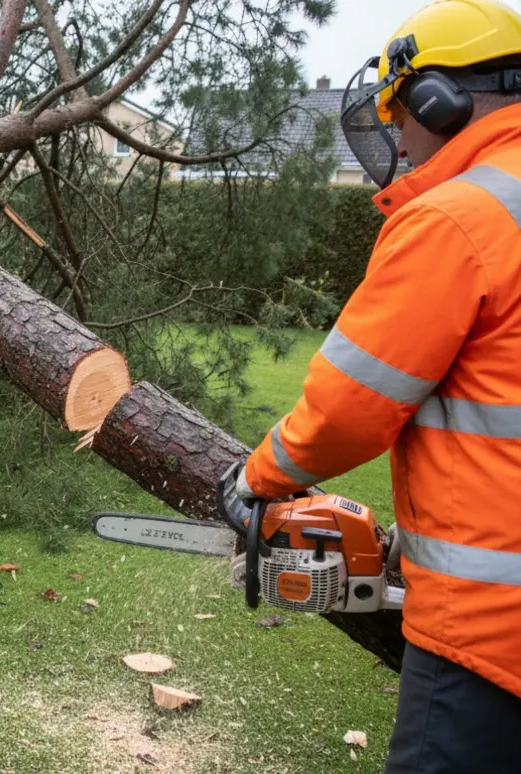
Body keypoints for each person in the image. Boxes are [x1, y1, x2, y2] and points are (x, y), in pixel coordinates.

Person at [216, 1, 521, 771]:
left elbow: (352, 405)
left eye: (401, 115)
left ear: (437, 100)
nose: (401, 141)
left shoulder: (463, 218)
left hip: (494, 624)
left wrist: (259, 479)